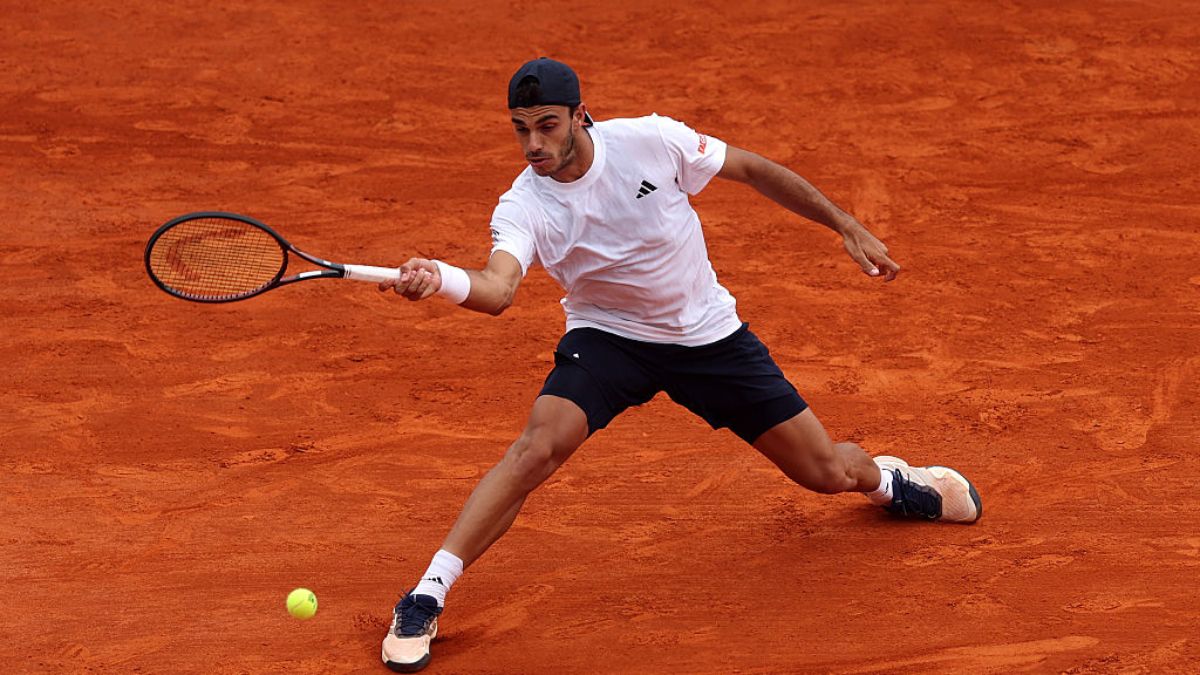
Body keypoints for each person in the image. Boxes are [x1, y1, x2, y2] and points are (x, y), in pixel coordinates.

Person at [377, 57, 981, 673]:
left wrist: (842, 223)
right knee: (536, 447)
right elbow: (499, 289)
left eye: (548, 126)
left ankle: (886, 483)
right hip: (610, 339)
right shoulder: (525, 204)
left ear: (581, 116)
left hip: (707, 337)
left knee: (825, 473)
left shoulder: (652, 141)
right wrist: (443, 279)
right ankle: (427, 593)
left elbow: (750, 168)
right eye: (520, 129)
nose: (534, 144)